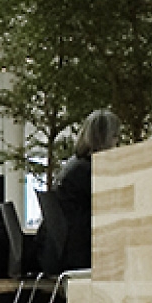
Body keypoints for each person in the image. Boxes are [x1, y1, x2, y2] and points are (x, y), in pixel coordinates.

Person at [51, 108, 120, 274]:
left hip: (63, 249)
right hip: (81, 251)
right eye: (115, 136)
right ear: (105, 139)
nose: (117, 143)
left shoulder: (74, 166)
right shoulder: (89, 171)